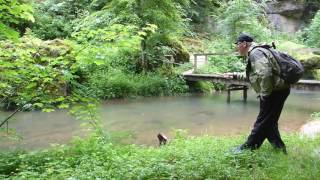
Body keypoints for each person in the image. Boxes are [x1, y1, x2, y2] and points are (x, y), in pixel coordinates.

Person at [225, 33, 290, 154]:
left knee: (262, 121)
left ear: (244, 44)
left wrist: (265, 94)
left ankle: (247, 149)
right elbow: (255, 76)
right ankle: (280, 149)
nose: (237, 47)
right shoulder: (258, 51)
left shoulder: (255, 53)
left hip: (274, 92)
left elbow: (265, 74)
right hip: (278, 89)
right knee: (269, 121)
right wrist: (234, 75)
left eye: (238, 44)